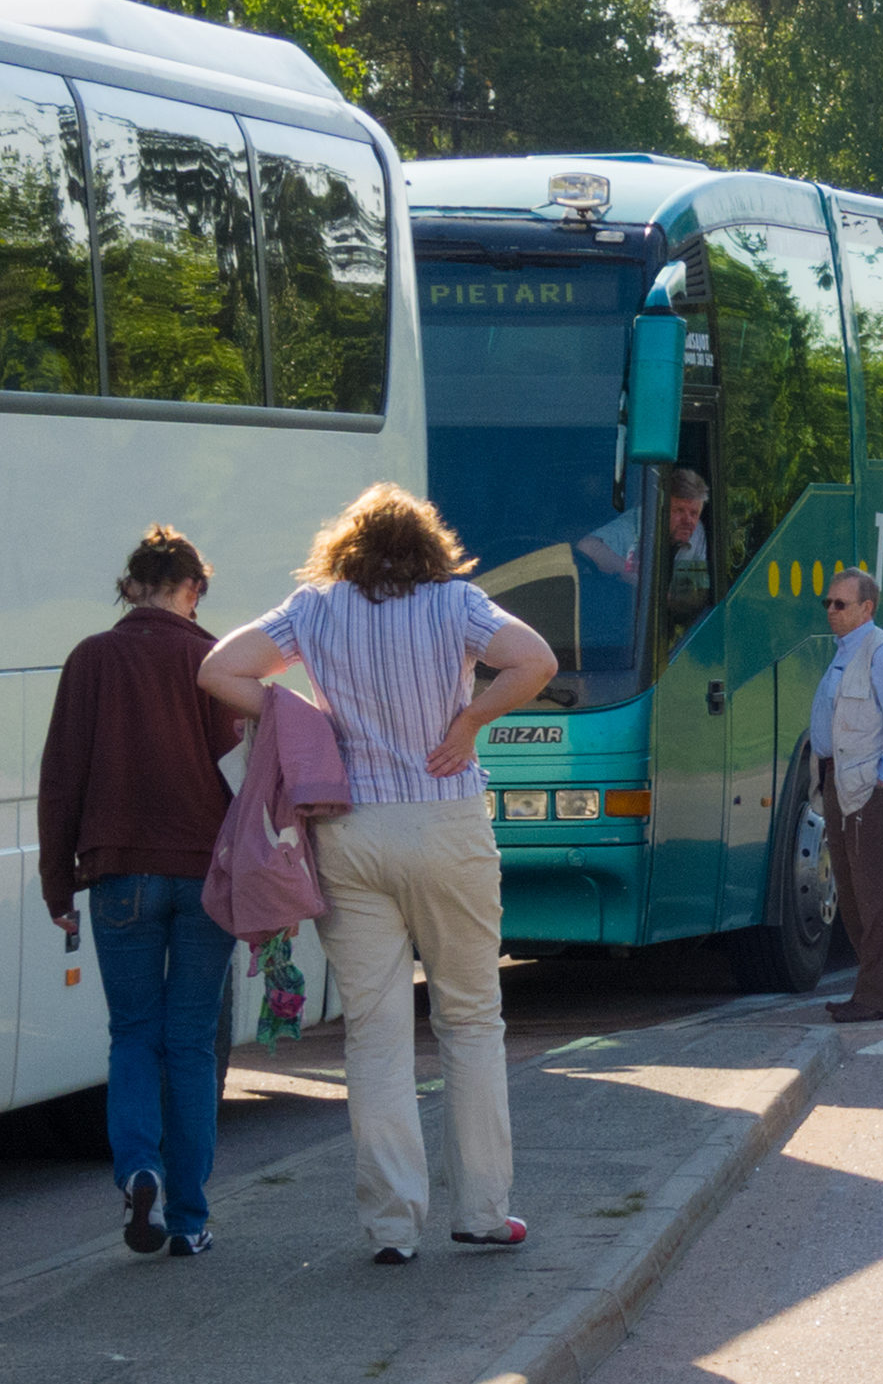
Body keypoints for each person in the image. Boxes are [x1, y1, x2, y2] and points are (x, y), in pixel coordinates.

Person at [198, 484, 557, 1266]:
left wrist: (296, 717)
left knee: (376, 1033)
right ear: (430, 547)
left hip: (350, 831)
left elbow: (220, 669)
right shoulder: (457, 605)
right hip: (445, 822)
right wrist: (469, 721)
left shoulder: (315, 609)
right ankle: (486, 1214)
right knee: (469, 1019)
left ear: (346, 549)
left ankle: (392, 1226)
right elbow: (536, 660)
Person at [38, 526, 242, 1258]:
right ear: (194, 590)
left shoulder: (91, 658)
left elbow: (62, 775)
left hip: (118, 873)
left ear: (129, 587)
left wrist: (57, 881)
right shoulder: (214, 660)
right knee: (190, 1043)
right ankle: (189, 1220)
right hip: (203, 877)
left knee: (132, 1036)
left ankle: (139, 1172)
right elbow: (244, 782)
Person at [808, 569, 883, 1023]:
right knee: (852, 895)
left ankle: (873, 998)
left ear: (866, 609)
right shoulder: (844, 654)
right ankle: (877, 994)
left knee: (875, 895)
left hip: (870, 788)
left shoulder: (882, 653)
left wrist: (881, 776)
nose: (831, 611)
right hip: (839, 781)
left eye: (840, 604)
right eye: (828, 603)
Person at [576, 466, 709, 587]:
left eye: (694, 513)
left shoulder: (697, 531)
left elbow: (696, 588)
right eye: (679, 510)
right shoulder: (636, 524)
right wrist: (631, 574)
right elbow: (587, 546)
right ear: (660, 507)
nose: (688, 521)